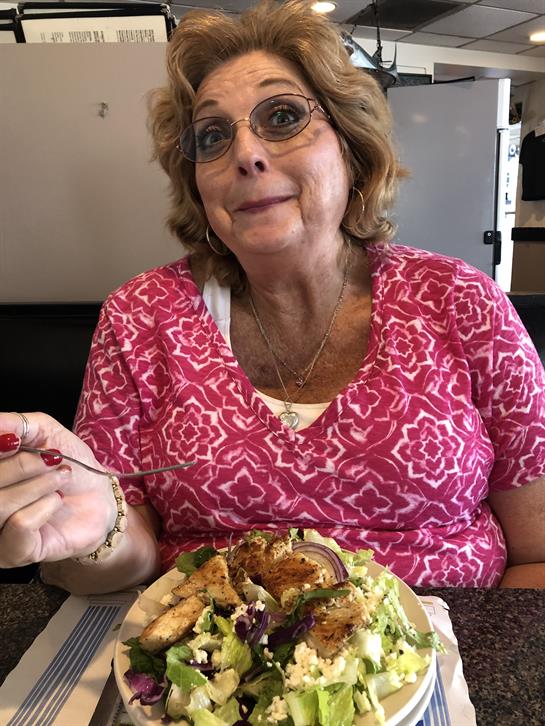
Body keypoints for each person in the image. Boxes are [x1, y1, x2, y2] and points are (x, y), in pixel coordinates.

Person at [0, 0, 544, 595]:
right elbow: (121, 552)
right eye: (212, 136)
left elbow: (538, 552)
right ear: (198, 189)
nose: (246, 155)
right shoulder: (140, 318)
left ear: (351, 149)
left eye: (282, 117)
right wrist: (95, 533)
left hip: (444, 663)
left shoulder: (462, 301)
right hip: (216, 672)